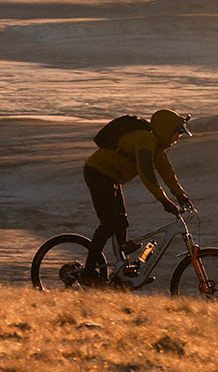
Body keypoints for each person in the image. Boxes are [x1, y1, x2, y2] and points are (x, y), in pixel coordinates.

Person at [81, 108, 196, 285]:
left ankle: (122, 268)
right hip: (97, 173)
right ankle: (87, 273)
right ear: (167, 130)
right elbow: (146, 172)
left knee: (122, 222)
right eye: (177, 134)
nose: (177, 139)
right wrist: (164, 200)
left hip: (110, 177)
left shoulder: (156, 146)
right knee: (109, 223)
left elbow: (166, 171)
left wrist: (180, 194)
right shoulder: (145, 140)